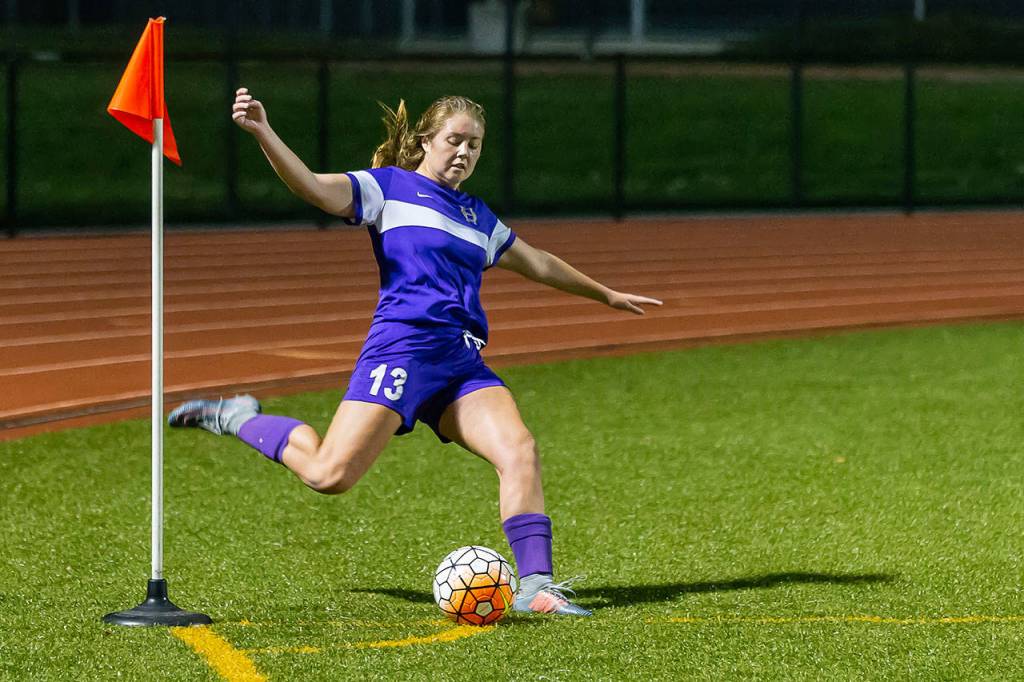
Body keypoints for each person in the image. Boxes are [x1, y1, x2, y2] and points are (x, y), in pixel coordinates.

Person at [168, 88, 662, 617]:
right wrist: (263, 131)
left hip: (459, 362)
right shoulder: (388, 188)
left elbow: (537, 261)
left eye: (474, 145)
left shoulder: (478, 215)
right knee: (329, 475)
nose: (464, 153)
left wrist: (604, 292)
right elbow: (312, 187)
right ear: (427, 140)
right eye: (455, 140)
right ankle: (239, 417)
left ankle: (536, 587)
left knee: (519, 450)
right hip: (402, 351)